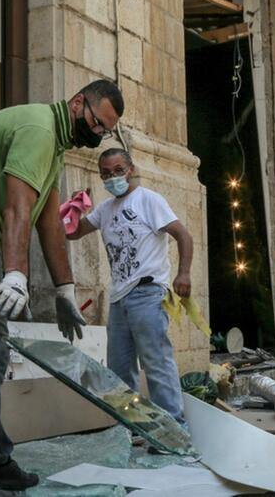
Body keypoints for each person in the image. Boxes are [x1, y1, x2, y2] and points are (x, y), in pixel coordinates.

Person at [0, 80, 124, 497]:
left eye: (105, 131)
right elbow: (17, 208)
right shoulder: (39, 131)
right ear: (77, 102)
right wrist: (15, 273)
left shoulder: (53, 145)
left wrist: (65, 290)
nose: (97, 134)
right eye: (96, 123)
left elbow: (49, 222)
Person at [67, 148, 193, 426]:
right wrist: (75, 206)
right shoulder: (104, 209)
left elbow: (183, 235)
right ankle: (133, 427)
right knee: (120, 370)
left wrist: (183, 273)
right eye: (106, 174)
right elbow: (73, 232)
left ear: (131, 169)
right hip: (119, 298)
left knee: (156, 362)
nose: (112, 177)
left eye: (117, 170)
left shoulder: (148, 200)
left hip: (147, 293)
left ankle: (174, 428)